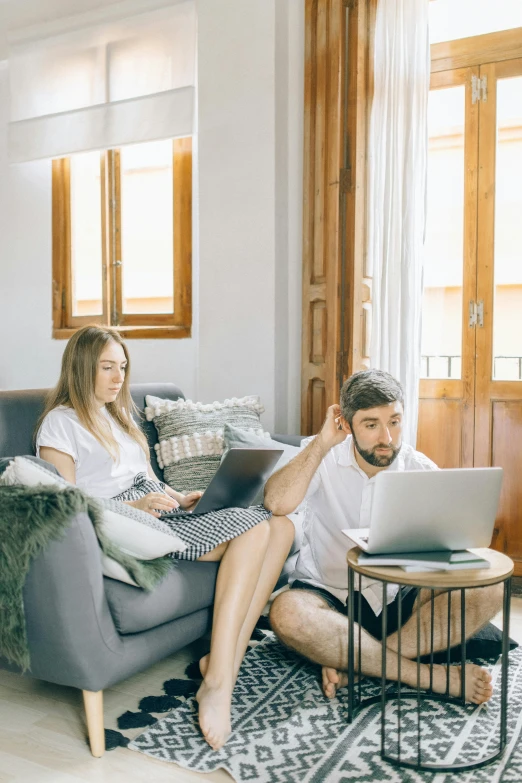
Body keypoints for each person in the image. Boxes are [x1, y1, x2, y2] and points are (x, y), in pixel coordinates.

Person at [36, 325, 295, 751]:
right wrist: (134, 509)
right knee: (257, 529)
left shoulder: (118, 416)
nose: (118, 378)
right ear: (82, 368)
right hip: (123, 521)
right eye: (106, 368)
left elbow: (145, 478)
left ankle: (223, 661)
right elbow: (67, 503)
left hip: (159, 511)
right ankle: (217, 682)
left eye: (122, 367)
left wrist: (181, 498)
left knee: (280, 526)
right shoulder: (60, 424)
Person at [264, 369, 502, 704]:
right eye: (371, 424)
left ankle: (360, 663)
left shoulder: (419, 468)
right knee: (286, 613)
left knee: (489, 587)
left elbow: (450, 546)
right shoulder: (321, 455)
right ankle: (429, 676)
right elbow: (276, 502)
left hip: (399, 600)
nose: (387, 438)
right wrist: (321, 442)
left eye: (394, 421)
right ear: (346, 424)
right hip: (329, 594)